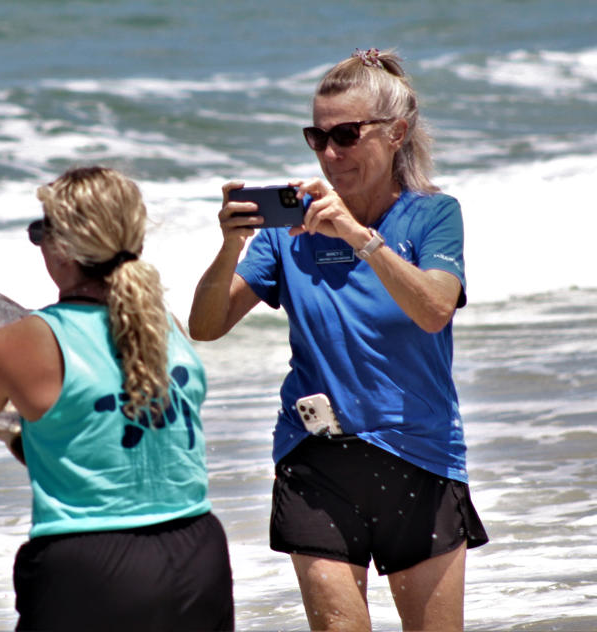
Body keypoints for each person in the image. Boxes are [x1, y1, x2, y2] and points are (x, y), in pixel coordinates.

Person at [189, 48, 488, 632]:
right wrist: (230, 246)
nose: (329, 154)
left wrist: (357, 235)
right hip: (315, 460)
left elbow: (433, 309)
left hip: (420, 454)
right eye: (316, 136)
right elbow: (205, 326)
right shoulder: (289, 232)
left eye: (346, 136)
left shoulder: (433, 216)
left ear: (396, 132)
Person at [0, 166, 234, 631]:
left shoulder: (26, 342)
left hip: (88, 565)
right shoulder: (161, 326)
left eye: (41, 231)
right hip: (197, 554)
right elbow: (115, 443)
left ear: (63, 249)